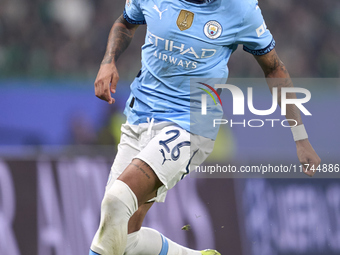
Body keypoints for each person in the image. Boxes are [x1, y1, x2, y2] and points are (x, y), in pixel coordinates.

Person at [89, 0, 321, 254]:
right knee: (124, 238)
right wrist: (108, 61)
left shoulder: (240, 9)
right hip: (139, 116)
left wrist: (300, 136)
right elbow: (125, 22)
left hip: (191, 125)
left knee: (116, 201)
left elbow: (274, 68)